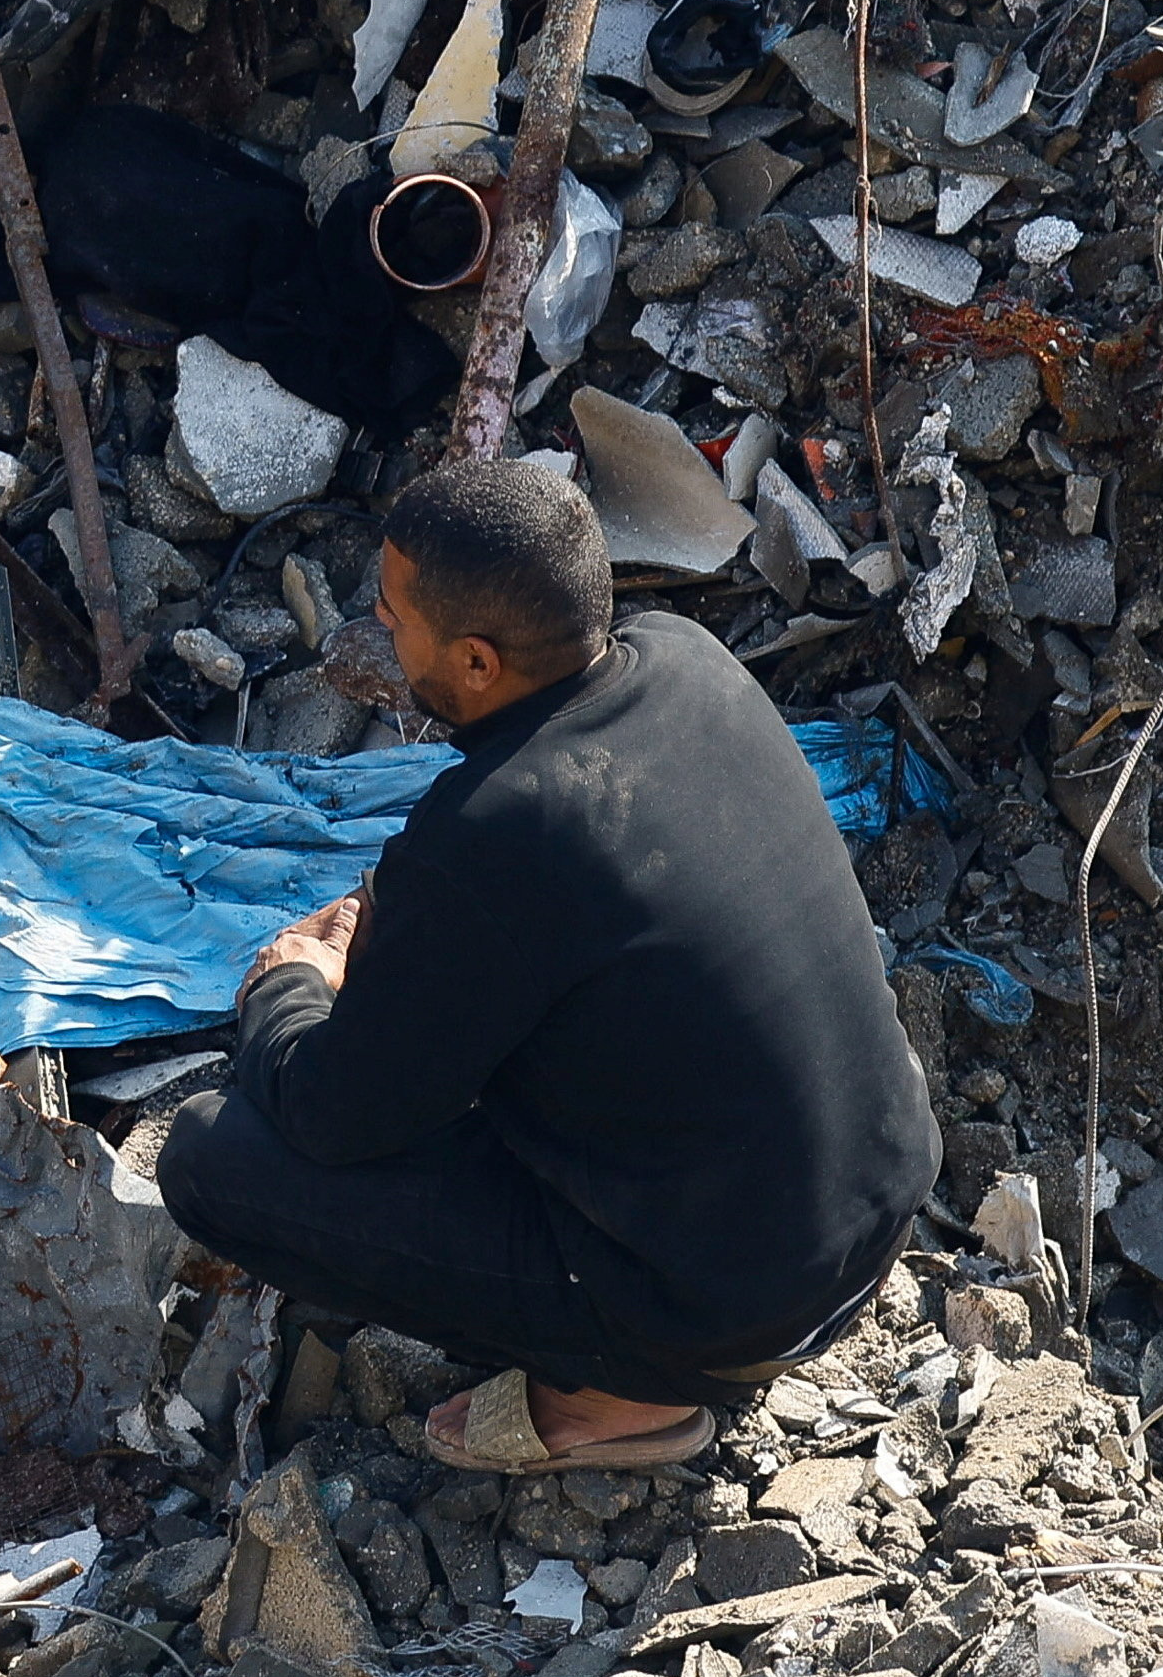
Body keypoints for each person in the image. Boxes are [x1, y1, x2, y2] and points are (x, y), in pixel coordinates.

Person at [156, 457, 932, 1473]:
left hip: (727, 1310)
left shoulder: (495, 830)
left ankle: (617, 1396)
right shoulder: (685, 657)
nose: (378, 629)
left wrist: (289, 982)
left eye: (395, 617)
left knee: (211, 1155)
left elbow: (327, 1114)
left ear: (476, 661)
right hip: (875, 1202)